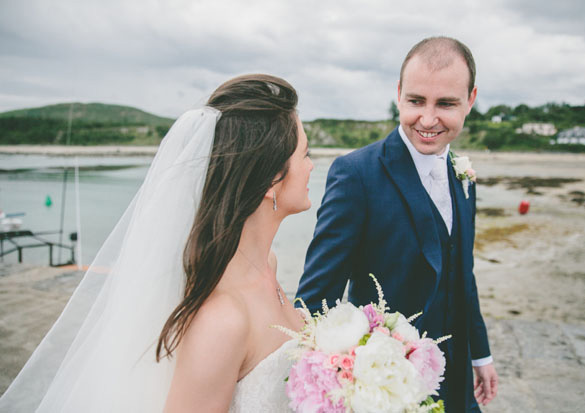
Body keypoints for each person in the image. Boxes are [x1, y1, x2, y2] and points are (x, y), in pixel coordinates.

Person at [0, 74, 313, 412]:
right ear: (271, 180)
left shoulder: (269, 265)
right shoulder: (222, 320)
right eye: (305, 155)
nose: (312, 166)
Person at [296, 37, 498, 412]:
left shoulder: (464, 178)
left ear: (470, 100)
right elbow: (315, 300)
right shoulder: (356, 175)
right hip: (384, 391)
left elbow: (462, 275)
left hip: (457, 387)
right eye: (416, 101)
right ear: (399, 93)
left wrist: (480, 356)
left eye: (446, 104)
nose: (428, 119)